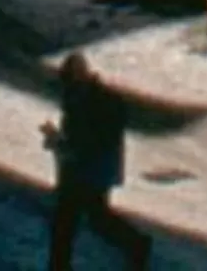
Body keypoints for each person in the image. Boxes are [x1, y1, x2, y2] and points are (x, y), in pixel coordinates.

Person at [42, 48, 152, 267]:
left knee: (79, 219)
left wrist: (62, 144)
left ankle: (136, 244)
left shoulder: (99, 101)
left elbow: (94, 139)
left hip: (89, 171)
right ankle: (136, 245)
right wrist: (60, 142)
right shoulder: (79, 98)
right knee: (78, 219)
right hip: (84, 169)